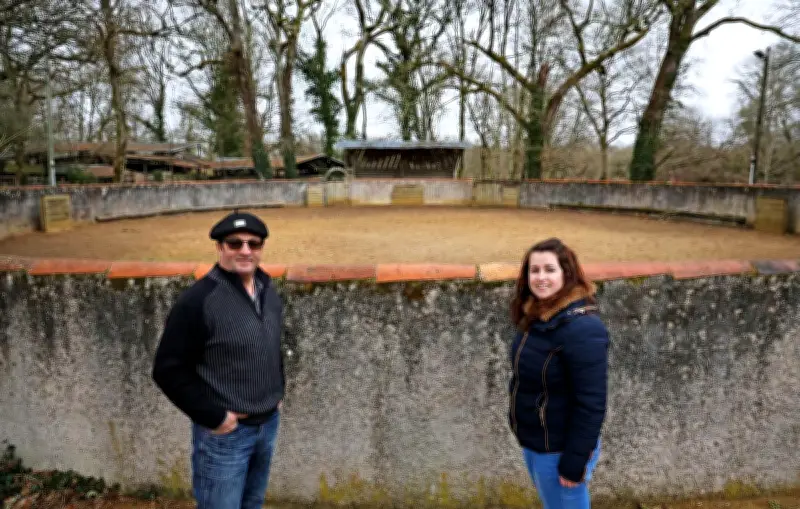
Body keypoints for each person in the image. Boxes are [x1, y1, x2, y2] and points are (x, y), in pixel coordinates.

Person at [152, 210, 285, 509]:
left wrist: (277, 393)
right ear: (220, 247)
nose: (245, 250)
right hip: (226, 435)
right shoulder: (198, 301)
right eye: (234, 243)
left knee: (253, 503)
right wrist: (215, 418)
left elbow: (271, 344)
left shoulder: (267, 289)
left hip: (267, 424)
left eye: (254, 243)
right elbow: (168, 370)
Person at [508, 237, 610, 509]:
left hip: (560, 448)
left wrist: (575, 461)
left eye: (549, 270)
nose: (541, 277)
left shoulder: (583, 329)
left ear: (567, 273)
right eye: (535, 270)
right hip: (537, 441)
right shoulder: (537, 317)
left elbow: (591, 403)